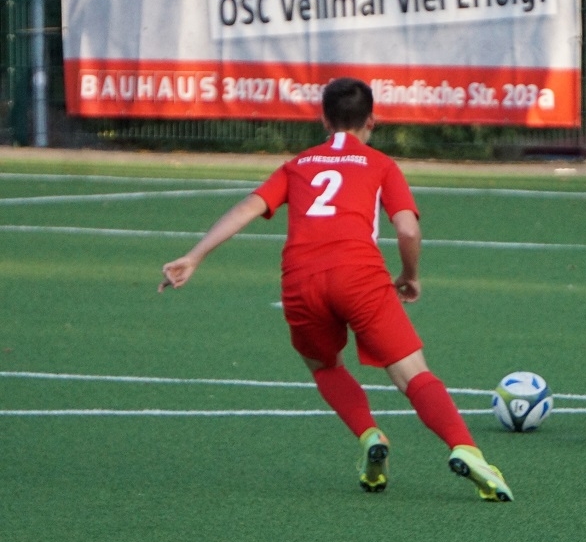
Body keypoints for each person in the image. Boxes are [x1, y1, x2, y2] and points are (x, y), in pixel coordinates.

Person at [159, 77, 512, 501]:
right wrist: (410, 274)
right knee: (413, 374)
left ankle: (369, 435)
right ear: (372, 121)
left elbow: (246, 208)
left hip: (300, 280)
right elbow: (407, 229)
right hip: (358, 276)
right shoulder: (381, 164)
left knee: (324, 366)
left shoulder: (298, 164)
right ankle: (466, 448)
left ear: (324, 120)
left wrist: (194, 256)